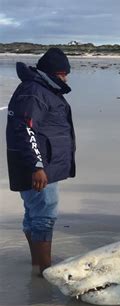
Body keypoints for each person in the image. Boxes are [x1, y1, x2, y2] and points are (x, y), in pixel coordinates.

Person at [6, 48, 76, 275]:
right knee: (44, 217)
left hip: (42, 163)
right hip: (38, 166)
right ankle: (45, 270)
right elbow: (25, 129)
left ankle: (37, 264)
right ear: (56, 72)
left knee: (34, 214)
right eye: (64, 73)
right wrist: (37, 165)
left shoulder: (41, 89)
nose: (65, 78)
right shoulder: (35, 91)